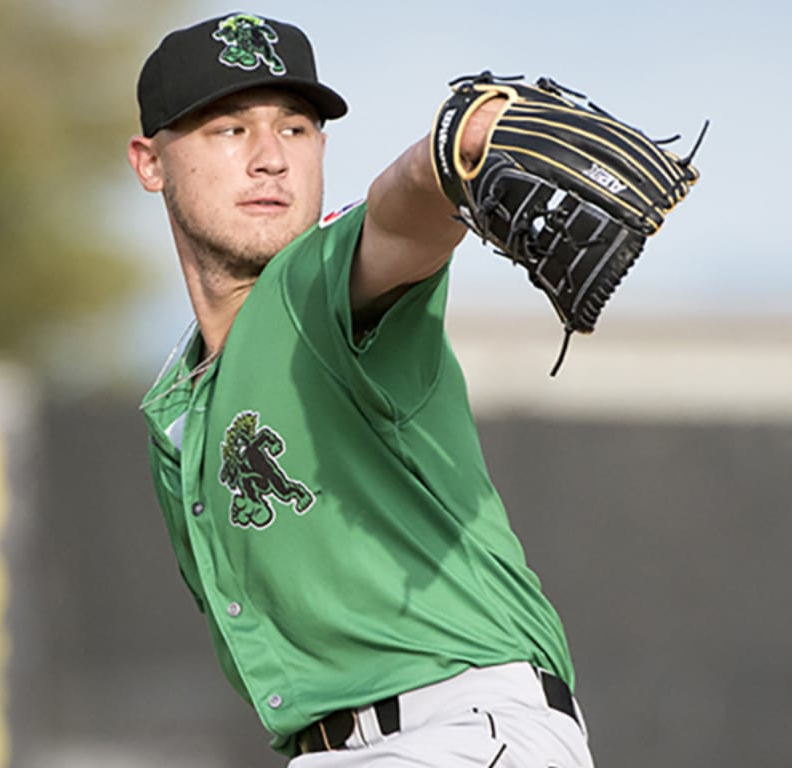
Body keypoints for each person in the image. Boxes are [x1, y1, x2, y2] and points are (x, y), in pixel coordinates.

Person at [128, 12, 594, 766]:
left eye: (296, 129)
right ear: (150, 163)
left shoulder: (318, 285)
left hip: (462, 731)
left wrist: (458, 151)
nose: (271, 159)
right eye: (229, 130)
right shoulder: (178, 416)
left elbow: (402, 214)